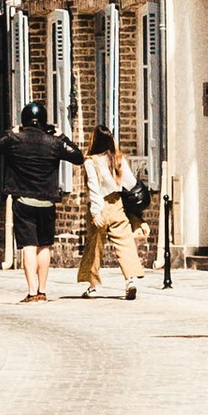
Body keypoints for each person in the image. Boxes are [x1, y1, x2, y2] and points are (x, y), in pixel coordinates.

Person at [2, 99, 84, 302]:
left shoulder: (16, 140)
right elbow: (78, 156)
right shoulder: (53, 143)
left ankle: (31, 291)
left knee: (29, 246)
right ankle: (42, 290)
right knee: (45, 245)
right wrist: (62, 136)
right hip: (47, 200)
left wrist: (11, 131)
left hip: (23, 200)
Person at [79, 120, 143, 298]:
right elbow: (130, 183)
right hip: (118, 204)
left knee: (94, 245)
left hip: (101, 204)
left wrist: (96, 212)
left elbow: (94, 187)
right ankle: (130, 280)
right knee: (125, 242)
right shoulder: (118, 159)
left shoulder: (91, 162)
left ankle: (92, 287)